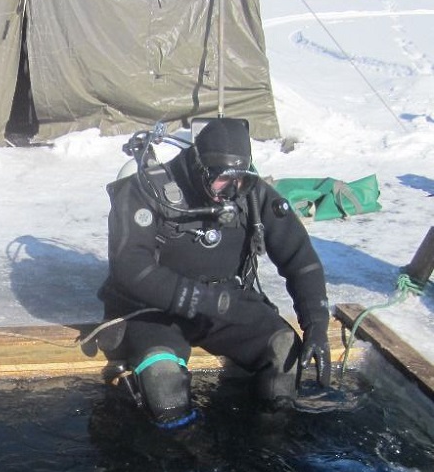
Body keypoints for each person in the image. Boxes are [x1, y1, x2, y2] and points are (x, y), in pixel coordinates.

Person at [92, 117, 331, 428]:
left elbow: (301, 260)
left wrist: (316, 325)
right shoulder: (146, 191)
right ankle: (180, 457)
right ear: (198, 165)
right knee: (163, 381)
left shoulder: (254, 195)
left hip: (226, 303)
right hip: (155, 311)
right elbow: (130, 267)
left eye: (240, 181)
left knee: (284, 353)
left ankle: (270, 447)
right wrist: (203, 300)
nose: (230, 191)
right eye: (220, 179)